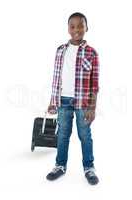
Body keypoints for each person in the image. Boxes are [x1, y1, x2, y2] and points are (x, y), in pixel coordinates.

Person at [46, 12, 100, 185]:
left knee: (85, 134)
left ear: (86, 28)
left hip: (83, 102)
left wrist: (92, 107)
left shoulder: (92, 53)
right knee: (62, 134)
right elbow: (56, 78)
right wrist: (53, 100)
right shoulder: (60, 50)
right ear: (68, 28)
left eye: (80, 25)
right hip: (63, 100)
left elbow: (95, 84)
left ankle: (89, 167)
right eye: (72, 26)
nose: (76, 29)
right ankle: (60, 165)